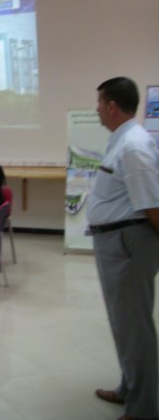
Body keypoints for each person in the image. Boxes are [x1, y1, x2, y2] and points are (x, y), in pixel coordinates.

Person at [86, 77, 159, 420]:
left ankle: (143, 409)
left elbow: (153, 206)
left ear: (112, 106)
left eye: (100, 103)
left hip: (128, 243)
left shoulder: (133, 146)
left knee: (134, 327)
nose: (97, 109)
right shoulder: (124, 141)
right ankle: (130, 387)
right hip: (115, 241)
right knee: (123, 323)